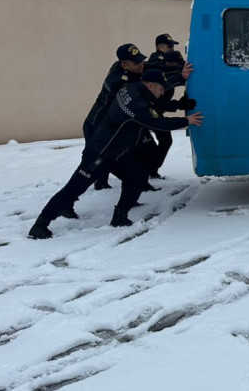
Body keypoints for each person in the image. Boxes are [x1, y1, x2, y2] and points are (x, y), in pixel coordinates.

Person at [28, 70, 203, 239]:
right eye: (161, 88)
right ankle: (40, 225)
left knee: (137, 177)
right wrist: (186, 120)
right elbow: (156, 121)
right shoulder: (136, 103)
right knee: (74, 188)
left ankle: (120, 217)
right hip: (99, 154)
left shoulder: (133, 89)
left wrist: (178, 104)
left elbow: (154, 105)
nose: (163, 91)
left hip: (116, 154)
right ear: (150, 86)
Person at [84, 44, 147, 189]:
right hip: (96, 126)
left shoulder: (124, 68)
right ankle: (67, 203)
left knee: (108, 161)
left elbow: (149, 67)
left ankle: (104, 182)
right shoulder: (119, 82)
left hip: (108, 126)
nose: (141, 65)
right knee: (90, 166)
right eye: (137, 63)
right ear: (124, 65)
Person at [145, 34, 195, 178]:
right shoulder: (157, 63)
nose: (172, 48)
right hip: (146, 111)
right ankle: (147, 172)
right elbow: (167, 78)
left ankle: (151, 171)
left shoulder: (166, 64)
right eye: (169, 46)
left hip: (155, 110)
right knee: (143, 146)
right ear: (160, 47)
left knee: (164, 140)